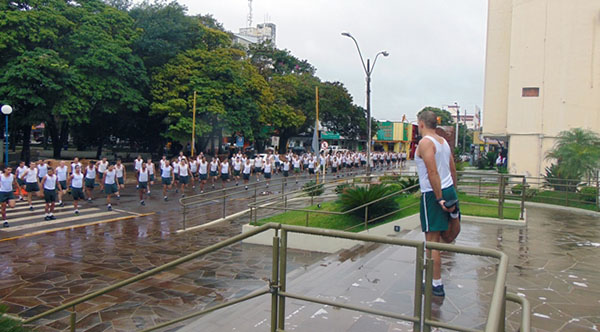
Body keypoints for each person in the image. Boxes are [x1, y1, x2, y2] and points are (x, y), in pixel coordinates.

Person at [415, 110, 461, 297]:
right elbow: (452, 169)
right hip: (448, 187)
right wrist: (453, 192)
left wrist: (440, 197)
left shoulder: (425, 142)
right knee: (447, 236)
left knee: (432, 242)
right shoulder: (443, 142)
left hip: (432, 192)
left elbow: (432, 172)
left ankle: (435, 283)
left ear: (422, 124)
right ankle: (454, 214)